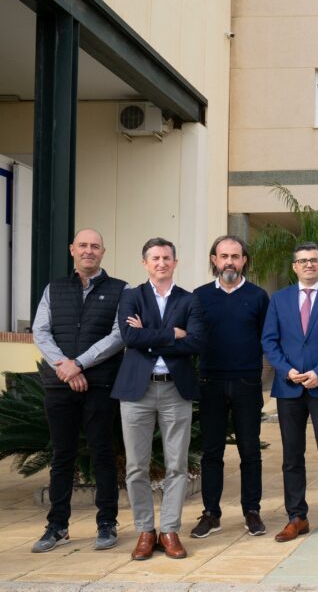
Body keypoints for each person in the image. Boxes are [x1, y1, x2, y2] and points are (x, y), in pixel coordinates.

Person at [30, 229, 126, 553]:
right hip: (60, 386)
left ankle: (107, 522)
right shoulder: (54, 289)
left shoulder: (119, 290)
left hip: (100, 386)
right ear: (72, 249)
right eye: (83, 245)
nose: (88, 251)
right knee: (62, 456)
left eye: (94, 246)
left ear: (103, 252)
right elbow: (40, 331)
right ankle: (57, 526)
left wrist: (80, 364)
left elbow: (117, 335)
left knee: (102, 452)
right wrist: (65, 366)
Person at [113, 237, 205, 560]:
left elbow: (194, 343)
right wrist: (171, 334)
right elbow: (129, 337)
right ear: (145, 263)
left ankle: (169, 530)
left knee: (176, 464)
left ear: (175, 263)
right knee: (136, 466)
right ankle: (145, 530)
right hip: (136, 390)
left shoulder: (189, 300)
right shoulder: (131, 297)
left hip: (174, 390)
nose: (161, 263)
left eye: (167, 257)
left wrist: (148, 337)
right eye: (155, 258)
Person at [262, 242, 318, 543]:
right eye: (302, 261)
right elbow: (269, 341)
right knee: (292, 456)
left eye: (314, 260)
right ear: (294, 267)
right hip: (288, 387)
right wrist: (286, 370)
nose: (308, 265)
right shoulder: (279, 299)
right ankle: (296, 517)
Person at [190, 235, 270, 539]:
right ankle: (211, 513)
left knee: (250, 451)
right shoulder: (198, 297)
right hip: (209, 382)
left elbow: (267, 339)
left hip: (247, 383)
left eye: (235, 256)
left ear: (244, 260)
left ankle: (252, 510)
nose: (229, 262)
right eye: (223, 256)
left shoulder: (258, 296)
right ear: (214, 260)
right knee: (211, 452)